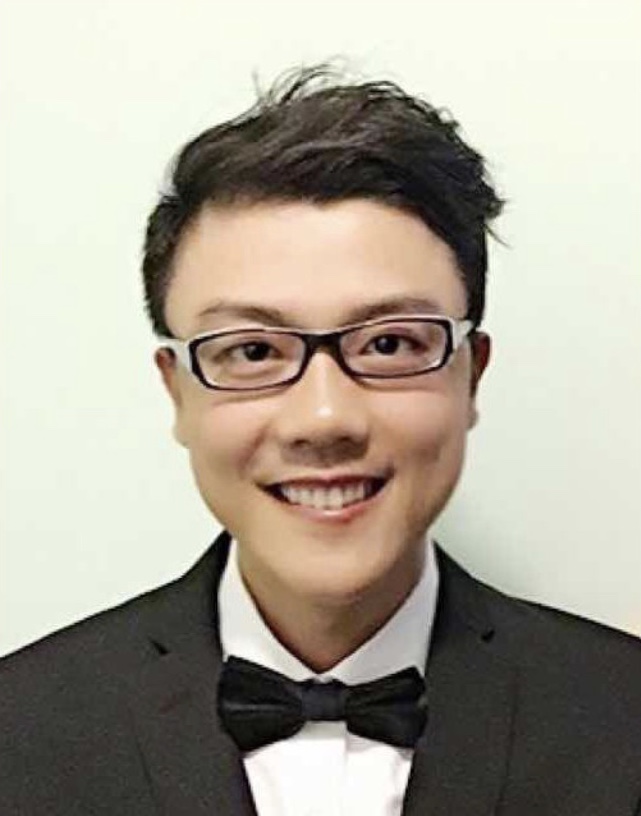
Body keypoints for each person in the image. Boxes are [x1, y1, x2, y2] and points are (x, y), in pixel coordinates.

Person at [1, 65, 640, 816]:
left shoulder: (621, 714)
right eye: (252, 351)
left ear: (471, 375)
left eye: (390, 343)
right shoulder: (22, 730)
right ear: (177, 391)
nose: (325, 418)